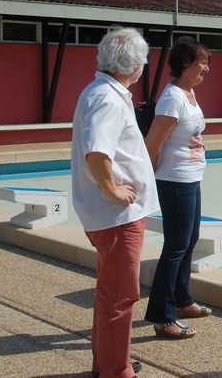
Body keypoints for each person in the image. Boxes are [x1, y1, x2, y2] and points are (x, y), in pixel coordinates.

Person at [71, 27, 159, 377]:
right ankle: (115, 369)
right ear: (135, 65)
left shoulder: (100, 92)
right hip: (117, 216)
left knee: (111, 292)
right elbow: (98, 153)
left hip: (111, 215)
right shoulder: (108, 99)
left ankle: (107, 362)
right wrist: (113, 190)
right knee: (121, 297)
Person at [144, 36, 212, 339]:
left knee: (189, 240)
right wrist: (149, 178)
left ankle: (183, 300)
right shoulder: (172, 98)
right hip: (175, 179)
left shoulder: (189, 93)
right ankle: (162, 316)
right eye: (202, 62)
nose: (207, 69)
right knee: (175, 246)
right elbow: (153, 143)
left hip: (191, 176)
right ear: (186, 64)